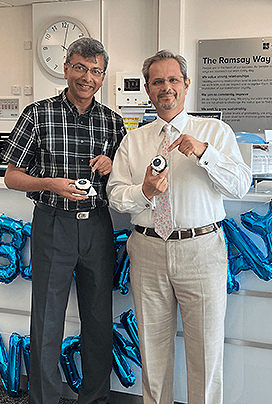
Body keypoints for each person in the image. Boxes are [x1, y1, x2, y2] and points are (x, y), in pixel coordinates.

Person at [107, 50, 251, 404]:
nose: (166, 88)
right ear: (147, 88)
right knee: (152, 353)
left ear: (186, 85)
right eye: (158, 81)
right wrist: (144, 191)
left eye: (173, 80)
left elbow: (239, 185)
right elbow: (115, 195)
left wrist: (205, 153)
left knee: (206, 352)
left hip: (201, 250)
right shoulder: (135, 140)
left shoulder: (214, 131)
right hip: (148, 249)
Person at [2, 37, 126, 404]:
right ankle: (45, 399)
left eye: (96, 71)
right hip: (53, 223)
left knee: (99, 319)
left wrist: (113, 163)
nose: (88, 77)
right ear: (67, 68)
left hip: (98, 226)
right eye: (81, 68)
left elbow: (127, 175)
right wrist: (50, 184)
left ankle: (95, 398)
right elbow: (12, 176)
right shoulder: (37, 114)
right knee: (47, 319)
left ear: (103, 76)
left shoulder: (112, 122)